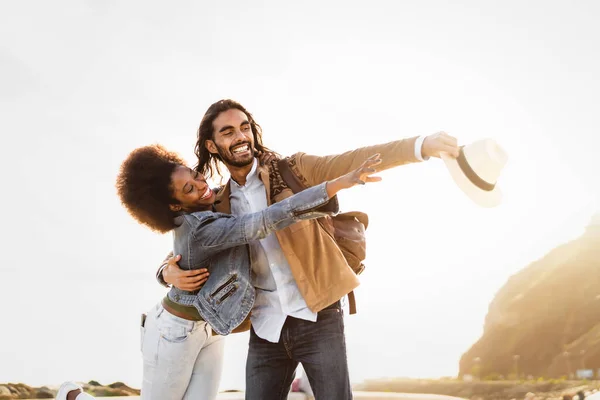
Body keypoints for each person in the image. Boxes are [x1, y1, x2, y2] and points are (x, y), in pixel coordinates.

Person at [158, 99, 460, 399]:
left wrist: (422, 146)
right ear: (212, 146)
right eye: (228, 132)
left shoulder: (294, 170)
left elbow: (356, 158)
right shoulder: (219, 203)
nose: (240, 137)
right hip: (265, 327)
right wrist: (165, 271)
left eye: (244, 128)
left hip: (319, 317)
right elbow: (194, 240)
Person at [113, 144, 381, 400]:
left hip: (211, 328)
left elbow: (181, 255)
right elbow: (263, 220)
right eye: (189, 190)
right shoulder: (199, 227)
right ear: (174, 205)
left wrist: (165, 271)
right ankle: (73, 394)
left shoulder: (214, 201)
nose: (202, 187)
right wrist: (335, 185)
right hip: (174, 330)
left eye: (196, 176)